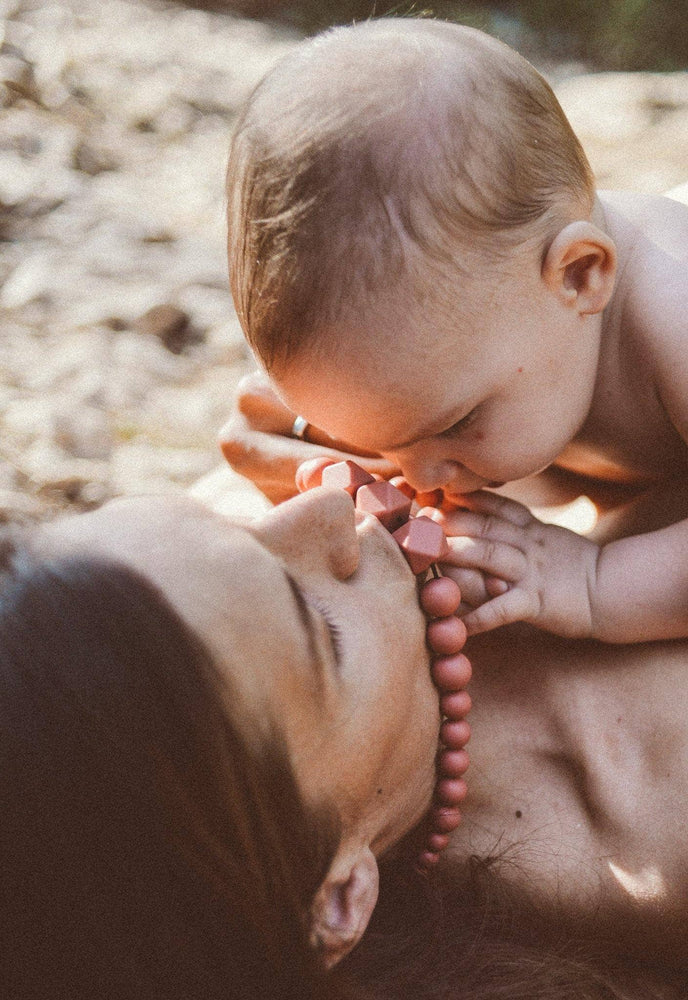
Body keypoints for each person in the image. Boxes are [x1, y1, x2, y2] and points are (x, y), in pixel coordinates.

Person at [1, 484, 686, 998]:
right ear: (335, 900)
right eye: (320, 627)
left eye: (231, 517)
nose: (328, 507)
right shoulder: (656, 852)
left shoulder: (180, 629)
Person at [223, 16, 688, 646]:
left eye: (450, 425)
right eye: (388, 444)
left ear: (580, 276)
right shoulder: (509, 344)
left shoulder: (674, 312)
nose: (422, 476)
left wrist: (597, 582)